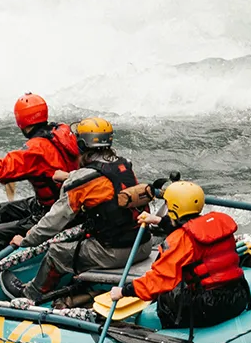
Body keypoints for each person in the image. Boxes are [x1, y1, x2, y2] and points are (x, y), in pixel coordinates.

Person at [16, 116, 154, 300]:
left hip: (116, 253)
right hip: (143, 244)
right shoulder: (124, 165)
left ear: (81, 144)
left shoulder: (81, 181)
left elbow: (53, 222)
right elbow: (104, 179)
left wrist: (26, 240)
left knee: (56, 253)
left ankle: (29, 295)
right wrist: (70, 176)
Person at [110, 181, 251, 329]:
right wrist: (158, 221)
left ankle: (170, 333)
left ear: (174, 207)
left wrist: (124, 291)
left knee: (167, 295)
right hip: (238, 296)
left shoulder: (180, 240)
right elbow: (189, 229)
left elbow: (159, 280)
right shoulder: (217, 224)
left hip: (209, 307)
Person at [0, 94, 79, 260]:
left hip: (55, 211)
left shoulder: (36, 149)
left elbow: (0, 171)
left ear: (21, 121)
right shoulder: (62, 131)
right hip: (58, 201)